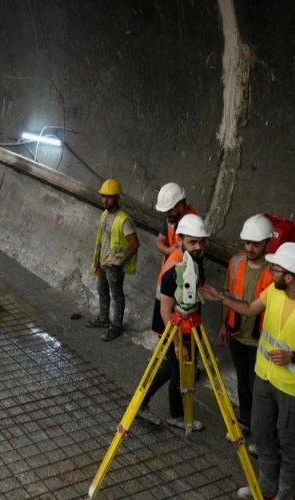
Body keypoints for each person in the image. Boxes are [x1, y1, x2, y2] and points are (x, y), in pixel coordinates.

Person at [199, 243, 295, 500]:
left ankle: (285, 494)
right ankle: (266, 487)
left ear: (290, 275)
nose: (271, 271)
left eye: (276, 269)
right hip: (264, 378)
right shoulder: (273, 292)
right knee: (262, 432)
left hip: (294, 389)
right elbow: (251, 309)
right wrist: (220, 297)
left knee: (289, 441)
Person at [137, 214, 208, 431]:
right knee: (178, 371)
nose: (198, 246)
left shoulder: (191, 260)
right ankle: (176, 415)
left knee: (171, 366)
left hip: (184, 325)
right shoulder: (174, 269)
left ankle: (142, 401)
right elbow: (165, 310)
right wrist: (177, 343)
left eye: (201, 241)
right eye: (192, 242)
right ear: (179, 240)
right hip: (171, 327)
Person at [218, 214, 275, 454]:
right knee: (243, 382)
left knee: (260, 390)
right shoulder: (235, 263)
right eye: (247, 243)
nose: (250, 248)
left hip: (260, 340)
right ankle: (245, 420)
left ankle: (261, 431)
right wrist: (223, 325)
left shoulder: (274, 272)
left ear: (266, 244)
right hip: (237, 334)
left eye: (256, 244)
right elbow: (228, 295)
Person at [87, 178, 140, 341]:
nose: (105, 200)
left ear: (117, 198)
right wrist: (97, 261)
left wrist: (120, 262)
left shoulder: (123, 220)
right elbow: (101, 239)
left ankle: (116, 326)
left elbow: (135, 243)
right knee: (102, 291)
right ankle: (104, 319)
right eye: (103, 196)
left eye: (109, 197)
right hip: (103, 262)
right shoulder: (104, 215)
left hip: (114, 265)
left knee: (117, 296)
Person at [154, 182, 197, 265]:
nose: (166, 215)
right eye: (165, 212)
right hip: (170, 267)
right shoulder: (171, 219)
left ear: (181, 206)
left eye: (169, 211)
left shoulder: (193, 225)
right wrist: (169, 250)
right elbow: (159, 241)